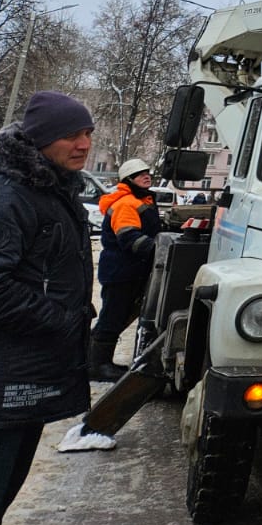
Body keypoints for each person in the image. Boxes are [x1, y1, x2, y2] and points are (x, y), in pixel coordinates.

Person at [0, 92, 95, 525]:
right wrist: (62, 320)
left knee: (1, 495)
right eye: (71, 134)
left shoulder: (48, 187)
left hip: (22, 374)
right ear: (41, 139)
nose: (84, 144)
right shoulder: (9, 193)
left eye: (88, 133)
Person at [89, 158, 163, 382]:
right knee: (112, 317)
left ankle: (95, 360)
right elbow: (130, 238)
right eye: (140, 174)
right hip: (121, 271)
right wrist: (160, 249)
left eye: (147, 172)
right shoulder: (125, 203)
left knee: (119, 316)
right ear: (128, 180)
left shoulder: (141, 200)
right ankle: (97, 365)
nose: (146, 176)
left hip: (129, 270)